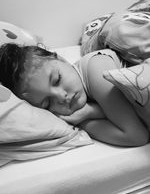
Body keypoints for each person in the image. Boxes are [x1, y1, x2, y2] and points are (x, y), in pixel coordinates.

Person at [0, 43, 148, 147]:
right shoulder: (81, 87)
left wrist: (83, 120)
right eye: (47, 103)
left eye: (57, 80)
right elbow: (121, 110)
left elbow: (136, 136)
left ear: (62, 60)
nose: (61, 96)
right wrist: (92, 111)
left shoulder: (96, 71)